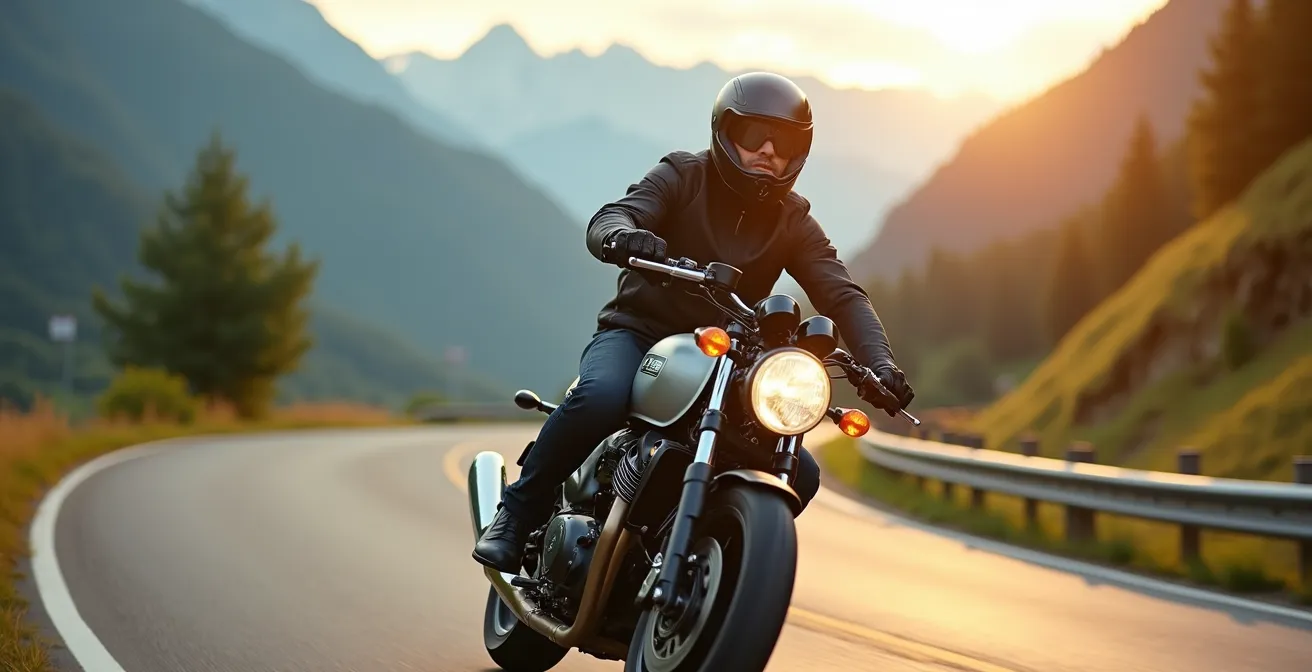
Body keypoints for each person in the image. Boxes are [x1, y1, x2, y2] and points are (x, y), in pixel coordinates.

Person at [473, 71, 914, 574]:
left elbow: (842, 294)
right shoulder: (683, 176)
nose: (768, 150)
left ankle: (707, 563)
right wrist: (625, 236)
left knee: (801, 470)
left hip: (728, 359)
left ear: (800, 152)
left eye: (785, 141)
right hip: (639, 334)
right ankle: (518, 511)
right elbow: (616, 216)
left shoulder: (794, 220)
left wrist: (880, 363)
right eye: (754, 135)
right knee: (599, 397)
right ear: (725, 133)